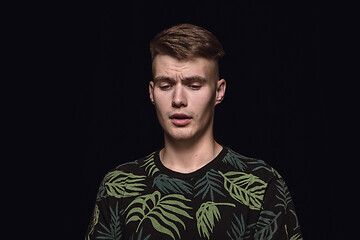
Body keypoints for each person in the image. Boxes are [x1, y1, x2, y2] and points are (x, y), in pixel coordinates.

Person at [85, 23, 303, 240]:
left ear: (219, 91)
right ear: (151, 93)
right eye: (166, 85)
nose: (178, 100)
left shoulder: (262, 184)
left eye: (194, 85)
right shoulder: (118, 186)